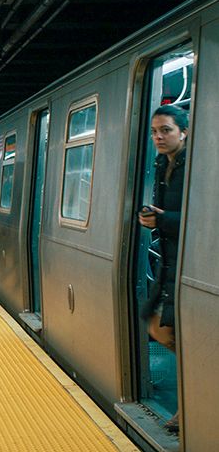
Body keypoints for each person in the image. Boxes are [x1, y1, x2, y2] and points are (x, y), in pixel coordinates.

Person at [137, 105, 188, 433]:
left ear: (183, 131)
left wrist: (163, 219)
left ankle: (189, 408)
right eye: (155, 131)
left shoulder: (192, 165)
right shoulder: (162, 163)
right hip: (169, 260)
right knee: (155, 324)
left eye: (166, 130)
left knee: (183, 337)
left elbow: (203, 216)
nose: (159, 136)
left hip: (190, 262)